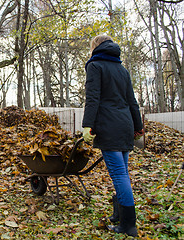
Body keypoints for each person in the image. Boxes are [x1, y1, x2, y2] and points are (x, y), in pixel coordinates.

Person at [82, 35, 144, 237]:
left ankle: (128, 225)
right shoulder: (122, 70)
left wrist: (87, 125)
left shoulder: (95, 66)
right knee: (122, 173)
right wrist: (138, 126)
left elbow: (93, 98)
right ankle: (119, 214)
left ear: (95, 47)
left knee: (119, 175)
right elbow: (132, 101)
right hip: (124, 125)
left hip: (108, 126)